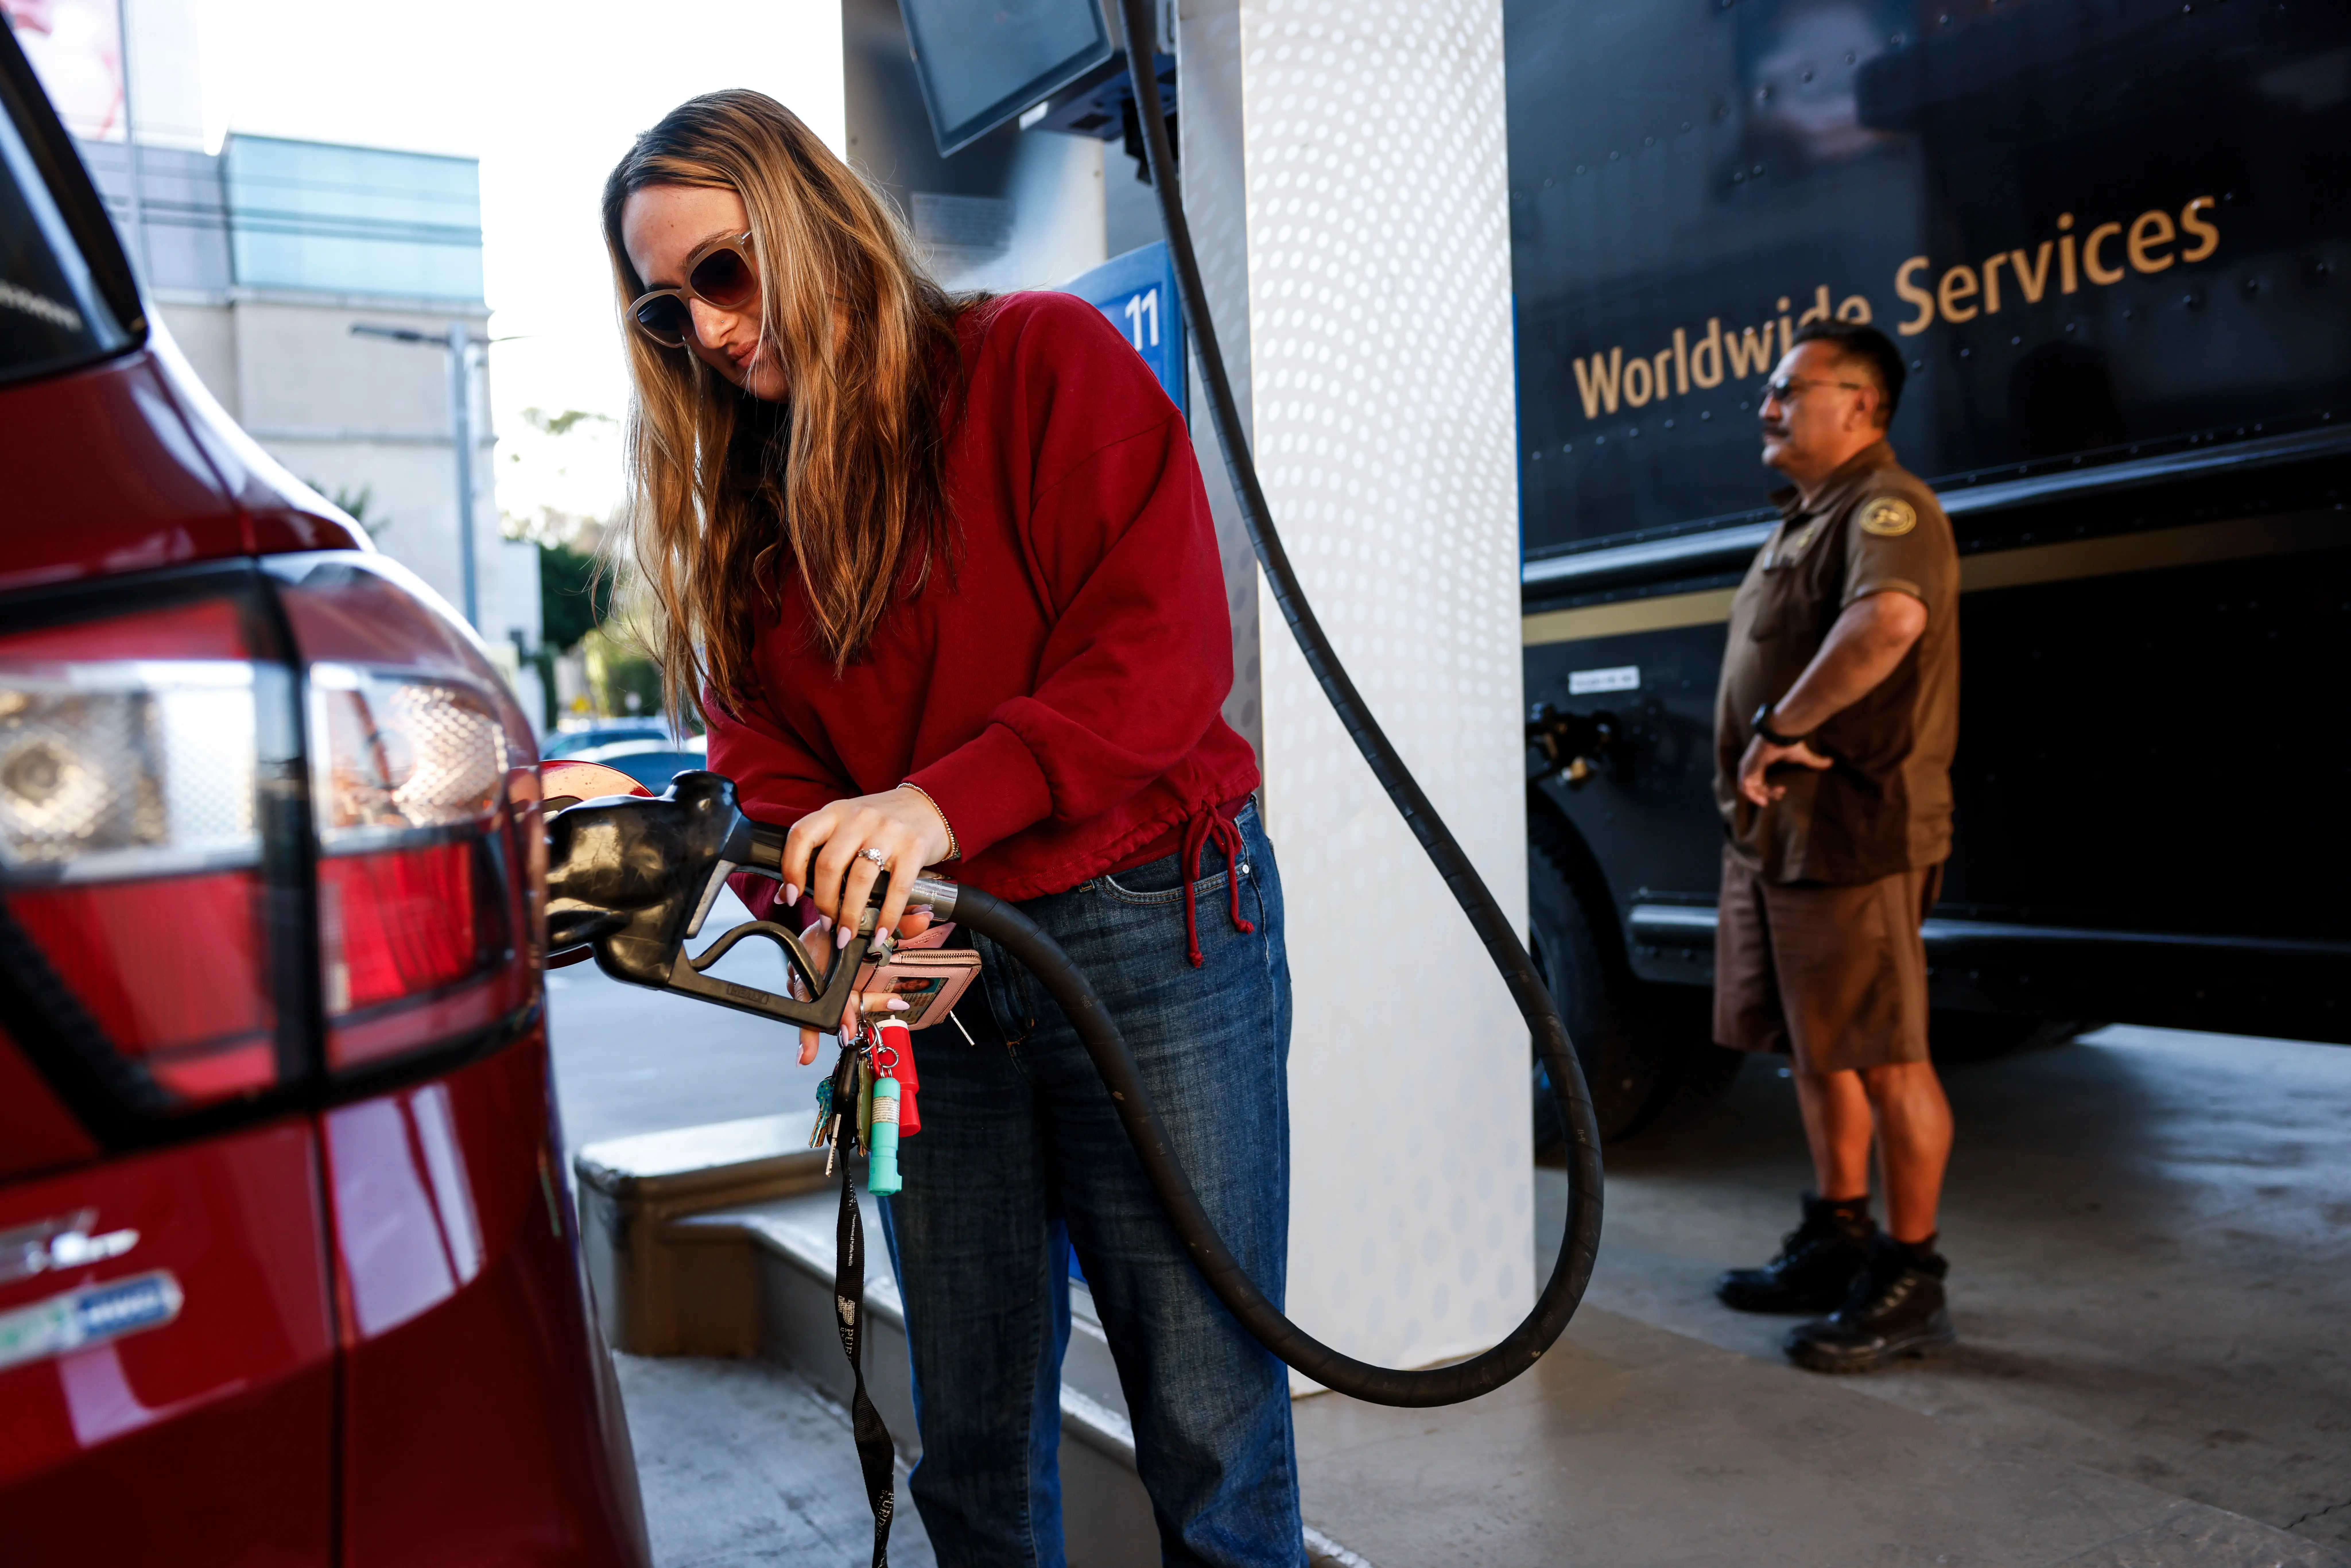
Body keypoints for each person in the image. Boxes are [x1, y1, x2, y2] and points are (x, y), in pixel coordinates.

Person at [602, 92, 1303, 1566]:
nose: (708, 331)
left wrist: (934, 806)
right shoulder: (747, 511)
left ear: (812, 222)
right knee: (971, 1439)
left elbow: (1160, 653)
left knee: (1208, 1427)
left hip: (1149, 924)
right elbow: (762, 760)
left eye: (724, 272)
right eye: (668, 311)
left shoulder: (1039, 359)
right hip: (930, 972)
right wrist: (822, 902)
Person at [1708, 319, 1961, 1373]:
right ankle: (1839, 1236)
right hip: (1780, 834)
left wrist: (1783, 726)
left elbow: (1889, 622)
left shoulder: (1886, 506)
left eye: (1791, 389)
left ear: (1861, 404)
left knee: (1888, 1053)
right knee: (1816, 1049)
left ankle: (1911, 1276)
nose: (1768, 405)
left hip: (1852, 831)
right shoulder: (1807, 516)